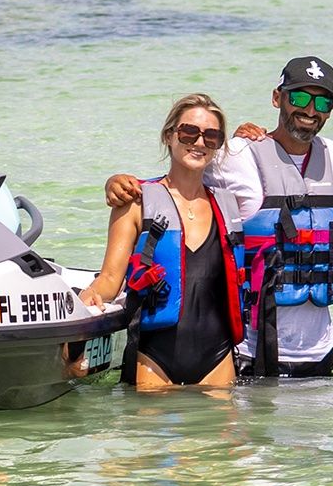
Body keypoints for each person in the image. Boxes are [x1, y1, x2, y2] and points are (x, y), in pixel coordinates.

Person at [107, 56, 333, 378]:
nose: (310, 110)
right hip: (252, 353)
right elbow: (182, 174)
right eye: (299, 97)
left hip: (322, 352)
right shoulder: (240, 153)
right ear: (277, 98)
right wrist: (120, 183)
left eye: (322, 101)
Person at [80, 94, 246, 389]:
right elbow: (109, 279)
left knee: (226, 436)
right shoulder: (135, 202)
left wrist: (254, 133)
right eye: (189, 132)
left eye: (211, 136)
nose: (199, 142)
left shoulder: (228, 204)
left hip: (218, 360)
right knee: (153, 436)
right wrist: (87, 298)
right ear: (169, 136)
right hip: (153, 360)